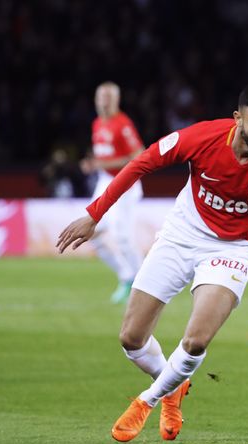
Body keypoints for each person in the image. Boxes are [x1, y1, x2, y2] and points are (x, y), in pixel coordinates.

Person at [57, 82, 248, 443]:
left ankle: (147, 401)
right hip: (182, 234)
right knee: (131, 338)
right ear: (238, 119)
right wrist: (94, 214)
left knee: (196, 340)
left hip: (232, 250)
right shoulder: (201, 137)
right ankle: (173, 385)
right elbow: (141, 163)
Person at [82, 82, 145, 304]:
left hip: (125, 183)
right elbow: (103, 156)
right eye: (101, 96)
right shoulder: (97, 123)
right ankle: (126, 277)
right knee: (91, 232)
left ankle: (143, 285)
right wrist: (95, 164)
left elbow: (139, 154)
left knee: (122, 236)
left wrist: (101, 163)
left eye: (108, 97)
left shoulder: (123, 124)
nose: (104, 101)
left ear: (116, 100)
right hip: (106, 181)